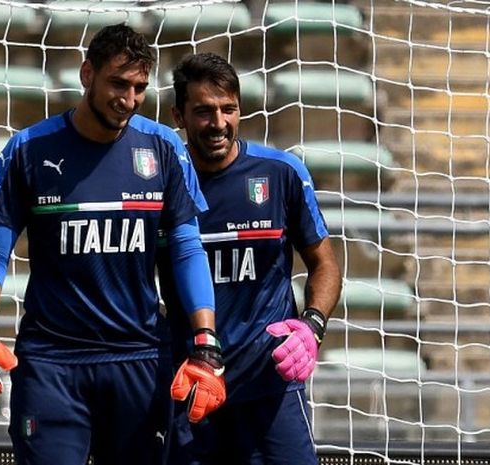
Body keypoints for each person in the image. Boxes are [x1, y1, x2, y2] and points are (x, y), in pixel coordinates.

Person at [0, 25, 226, 465]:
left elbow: (186, 248)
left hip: (138, 356)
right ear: (87, 74)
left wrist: (206, 342)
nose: (129, 98)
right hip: (52, 363)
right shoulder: (28, 150)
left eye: (140, 87)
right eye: (118, 84)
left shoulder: (162, 148)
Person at [158, 52, 341, 465]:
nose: (219, 123)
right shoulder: (162, 183)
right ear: (179, 116)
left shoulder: (281, 173)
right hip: (191, 382)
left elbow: (325, 263)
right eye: (204, 111)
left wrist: (312, 326)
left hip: (269, 382)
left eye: (229, 109)